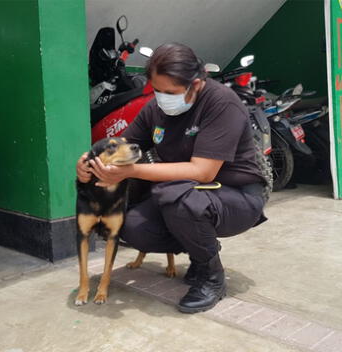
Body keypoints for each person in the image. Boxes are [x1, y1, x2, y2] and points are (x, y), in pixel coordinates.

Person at [76, 43, 267, 313]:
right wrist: (88, 161)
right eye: (157, 90)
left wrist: (132, 170)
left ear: (197, 85)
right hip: (183, 193)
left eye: (171, 92)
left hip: (236, 195)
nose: (163, 98)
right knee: (132, 226)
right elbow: (121, 144)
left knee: (178, 198)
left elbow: (203, 172)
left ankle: (212, 277)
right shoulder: (155, 110)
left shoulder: (221, 103)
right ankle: (200, 250)